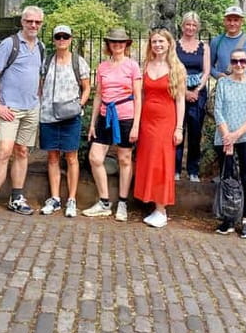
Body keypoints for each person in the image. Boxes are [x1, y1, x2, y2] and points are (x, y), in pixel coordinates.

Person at [0, 5, 46, 224]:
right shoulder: (10, 44)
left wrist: (37, 99)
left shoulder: (41, 47)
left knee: (23, 152)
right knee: (5, 151)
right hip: (10, 109)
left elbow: (38, 77)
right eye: (29, 21)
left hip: (30, 108)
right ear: (22, 22)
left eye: (37, 22)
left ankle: (16, 198)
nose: (33, 25)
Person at [83, 28, 142, 221]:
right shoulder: (102, 67)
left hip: (126, 117)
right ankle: (104, 201)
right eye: (114, 42)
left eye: (121, 42)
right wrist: (92, 123)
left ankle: (123, 203)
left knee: (124, 158)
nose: (117, 45)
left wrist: (136, 125)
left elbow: (138, 97)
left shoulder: (133, 66)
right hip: (105, 116)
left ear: (126, 45)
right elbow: (99, 95)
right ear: (108, 44)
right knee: (95, 157)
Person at [134, 29, 186, 228]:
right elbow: (140, 95)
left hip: (166, 121)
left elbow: (180, 100)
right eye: (154, 41)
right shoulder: (145, 65)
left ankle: (162, 209)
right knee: (149, 162)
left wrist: (179, 128)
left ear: (169, 43)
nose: (157, 45)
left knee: (162, 163)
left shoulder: (176, 67)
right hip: (147, 121)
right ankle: (154, 205)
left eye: (161, 41)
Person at [38, 25, 91, 218]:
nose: (61, 40)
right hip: (49, 115)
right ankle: (54, 198)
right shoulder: (47, 61)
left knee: (71, 157)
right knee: (52, 157)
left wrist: (80, 105)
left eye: (65, 36)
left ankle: (71, 198)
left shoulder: (78, 62)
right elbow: (41, 85)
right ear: (54, 39)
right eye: (58, 37)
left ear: (70, 39)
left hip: (70, 115)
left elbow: (86, 87)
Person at [213, 48, 246, 238]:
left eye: (242, 61)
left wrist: (236, 135)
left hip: (245, 137)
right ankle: (229, 218)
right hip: (224, 138)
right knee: (228, 179)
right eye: (235, 61)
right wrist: (227, 136)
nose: (239, 65)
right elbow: (218, 110)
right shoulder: (223, 83)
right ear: (230, 63)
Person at [175, 11, 210, 182]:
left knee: (195, 133)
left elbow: (207, 71)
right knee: (177, 129)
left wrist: (196, 90)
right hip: (178, 92)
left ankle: (193, 170)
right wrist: (184, 92)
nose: (190, 28)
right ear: (182, 26)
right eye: (188, 24)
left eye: (194, 25)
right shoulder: (174, 46)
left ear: (198, 27)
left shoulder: (204, 47)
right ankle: (175, 168)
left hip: (198, 93)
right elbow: (172, 70)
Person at [210, 6, 246, 80]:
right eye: (229, 20)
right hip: (224, 85)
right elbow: (209, 66)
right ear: (224, 21)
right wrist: (218, 75)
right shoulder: (216, 41)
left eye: (236, 20)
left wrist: (240, 76)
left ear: (242, 22)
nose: (232, 23)